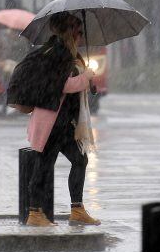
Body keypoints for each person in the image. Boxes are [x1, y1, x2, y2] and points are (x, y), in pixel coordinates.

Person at [7, 12, 99, 227]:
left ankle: (76, 210)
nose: (81, 36)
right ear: (69, 31)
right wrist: (84, 78)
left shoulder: (64, 52)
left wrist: (87, 79)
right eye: (78, 31)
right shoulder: (57, 52)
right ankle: (35, 214)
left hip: (62, 121)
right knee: (45, 164)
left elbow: (69, 82)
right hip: (52, 120)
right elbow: (63, 85)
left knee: (78, 160)